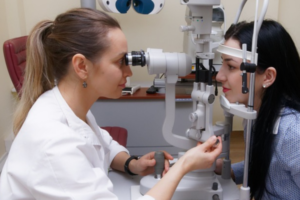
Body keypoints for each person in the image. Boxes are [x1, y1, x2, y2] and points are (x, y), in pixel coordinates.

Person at [0, 8, 222, 200]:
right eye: (120, 62)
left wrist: (130, 163)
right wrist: (183, 166)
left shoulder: (68, 106)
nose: (129, 72)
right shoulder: (53, 143)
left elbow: (101, 142)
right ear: (81, 66)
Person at [215, 20, 300, 199]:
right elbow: (266, 165)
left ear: (268, 77)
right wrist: (227, 171)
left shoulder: (294, 134)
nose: (219, 76)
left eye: (231, 66)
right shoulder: (253, 114)